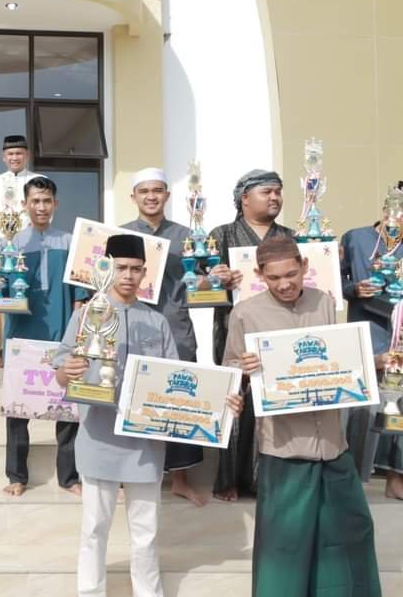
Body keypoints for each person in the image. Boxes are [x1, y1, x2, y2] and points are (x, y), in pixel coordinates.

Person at [54, 234, 242, 597]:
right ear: (106, 268)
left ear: (145, 273)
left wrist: (221, 402)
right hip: (98, 438)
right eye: (120, 267)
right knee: (94, 528)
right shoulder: (85, 314)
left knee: (146, 530)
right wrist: (70, 371)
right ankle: (90, 592)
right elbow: (61, 368)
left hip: (144, 444)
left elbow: (177, 382)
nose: (127, 276)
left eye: (135, 269)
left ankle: (149, 592)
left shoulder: (156, 322)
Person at [226, 236, 381, 597]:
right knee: (284, 547)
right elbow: (231, 371)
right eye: (274, 277)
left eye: (291, 274)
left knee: (351, 533)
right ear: (259, 274)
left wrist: (376, 361)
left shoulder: (326, 303)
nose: (285, 284)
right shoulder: (245, 313)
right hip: (284, 451)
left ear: (305, 267)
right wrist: (243, 370)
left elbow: (344, 361)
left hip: (333, 445)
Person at [0, 176, 84, 497]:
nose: (41, 206)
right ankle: (17, 476)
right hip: (22, 338)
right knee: (17, 410)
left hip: (61, 336)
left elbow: (80, 296)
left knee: (68, 412)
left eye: (47, 200)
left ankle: (69, 478)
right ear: (25, 205)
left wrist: (77, 333)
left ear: (55, 204)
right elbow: (0, 287)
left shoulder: (70, 242)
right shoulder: (11, 244)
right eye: (35, 201)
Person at [122, 168, 218, 506]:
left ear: (167, 195)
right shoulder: (119, 236)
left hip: (175, 326)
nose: (151, 196)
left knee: (179, 400)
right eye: (144, 190)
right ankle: (126, 476)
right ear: (133, 196)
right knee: (129, 397)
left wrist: (216, 277)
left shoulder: (187, 235)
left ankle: (180, 477)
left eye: (158, 190)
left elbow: (206, 279)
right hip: (130, 327)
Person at [208, 168, 293, 501]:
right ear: (245, 198)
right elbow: (196, 285)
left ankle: (266, 480)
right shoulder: (221, 234)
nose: (274, 198)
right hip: (234, 329)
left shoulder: (289, 236)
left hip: (281, 332)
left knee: (276, 402)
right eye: (266, 192)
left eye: (278, 192)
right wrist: (214, 278)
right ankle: (228, 479)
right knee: (234, 399)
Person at [340, 182, 403, 498]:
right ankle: (352, 478)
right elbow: (331, 279)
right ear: (387, 210)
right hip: (367, 332)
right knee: (363, 410)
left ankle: (396, 478)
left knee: (400, 408)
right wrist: (353, 290)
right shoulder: (355, 238)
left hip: (400, 335)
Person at [0, 134, 39, 368]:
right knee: (1, 296)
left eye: (19, 153)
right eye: (10, 154)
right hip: (1, 251)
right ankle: (0, 352)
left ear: (26, 155)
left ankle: (31, 348)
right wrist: (8, 239)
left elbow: (40, 211)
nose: (15, 157)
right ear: (3, 157)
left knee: (28, 294)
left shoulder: (38, 179)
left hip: (31, 248)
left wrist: (22, 238)